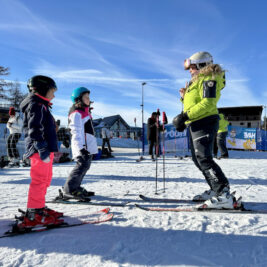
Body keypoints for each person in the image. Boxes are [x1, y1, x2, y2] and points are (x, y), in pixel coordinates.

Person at [173, 51, 238, 209]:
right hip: (195, 122)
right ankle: (215, 189)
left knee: (204, 158)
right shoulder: (197, 81)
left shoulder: (209, 78)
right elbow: (195, 101)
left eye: (192, 67)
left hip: (205, 121)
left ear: (202, 65)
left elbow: (208, 103)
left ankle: (223, 194)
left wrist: (184, 115)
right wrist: (184, 98)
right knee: (198, 158)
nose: (190, 70)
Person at [19, 75, 63, 229]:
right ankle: (34, 213)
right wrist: (41, 146)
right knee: (39, 179)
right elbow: (34, 128)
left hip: (45, 148)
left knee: (46, 179)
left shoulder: (42, 105)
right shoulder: (36, 104)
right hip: (40, 149)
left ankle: (39, 207)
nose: (54, 95)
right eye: (52, 91)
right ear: (43, 89)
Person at [63, 87, 98, 199]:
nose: (89, 99)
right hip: (81, 146)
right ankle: (69, 189)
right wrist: (81, 148)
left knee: (85, 166)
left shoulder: (84, 112)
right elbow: (76, 131)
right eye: (86, 97)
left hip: (86, 146)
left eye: (89, 97)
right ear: (78, 99)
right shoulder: (76, 113)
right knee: (81, 166)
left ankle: (76, 187)